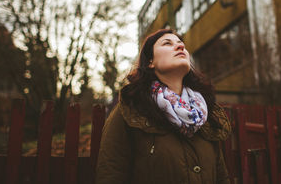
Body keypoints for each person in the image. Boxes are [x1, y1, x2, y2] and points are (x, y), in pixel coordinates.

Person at [95, 29, 231, 184]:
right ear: (150, 62)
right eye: (167, 43)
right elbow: (111, 174)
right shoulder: (130, 111)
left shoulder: (205, 113)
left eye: (182, 45)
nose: (180, 47)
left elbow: (222, 177)